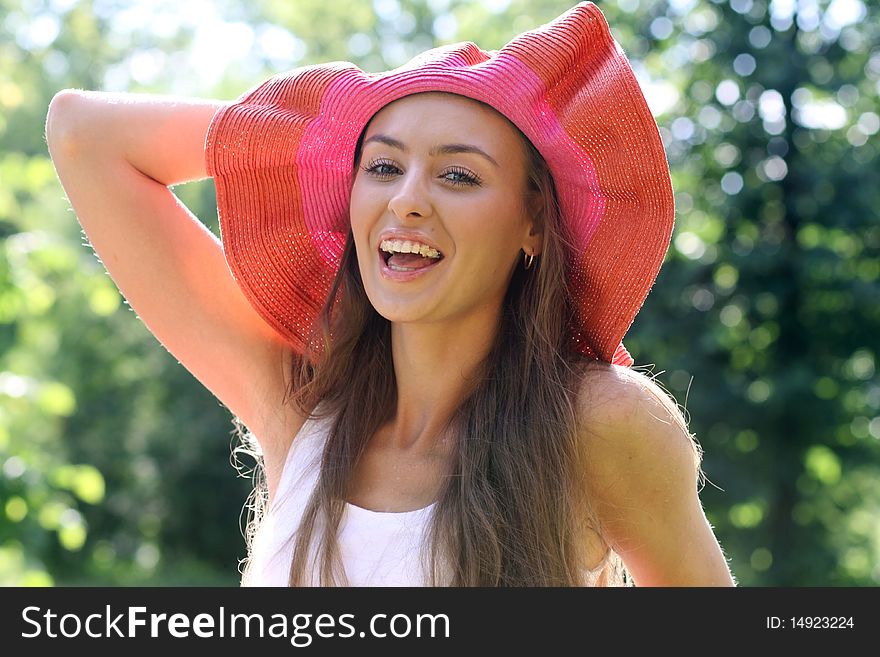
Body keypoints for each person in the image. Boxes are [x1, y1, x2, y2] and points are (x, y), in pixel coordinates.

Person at [45, 2, 736, 586]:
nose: (405, 201)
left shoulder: (595, 419)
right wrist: (316, 135)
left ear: (532, 224)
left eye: (458, 176)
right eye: (382, 165)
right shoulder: (304, 411)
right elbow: (82, 134)